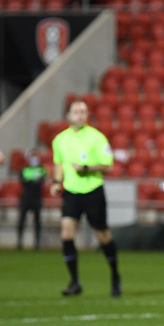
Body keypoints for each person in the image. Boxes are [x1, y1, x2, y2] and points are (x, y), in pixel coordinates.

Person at [50, 100, 122, 297]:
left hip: (93, 190)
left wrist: (87, 169)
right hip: (71, 192)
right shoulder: (59, 140)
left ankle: (115, 275)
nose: (80, 115)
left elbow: (108, 165)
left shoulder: (97, 138)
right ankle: (75, 282)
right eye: (76, 111)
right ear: (68, 115)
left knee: (103, 236)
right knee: (66, 233)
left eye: (83, 112)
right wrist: (57, 182)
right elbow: (58, 163)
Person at [17, 148, 47, 250]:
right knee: (22, 219)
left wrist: (30, 181)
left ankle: (37, 243)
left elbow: (40, 182)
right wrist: (33, 181)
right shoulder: (24, 170)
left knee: (37, 220)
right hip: (26, 198)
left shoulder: (42, 169)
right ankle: (19, 242)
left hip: (37, 198)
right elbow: (23, 182)